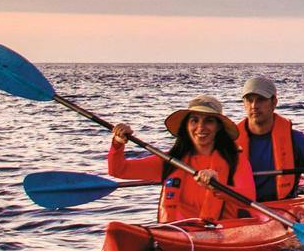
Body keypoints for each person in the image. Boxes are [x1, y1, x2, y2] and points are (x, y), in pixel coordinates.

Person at [107, 94, 261, 227]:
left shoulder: (234, 159)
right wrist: (118, 143)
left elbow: (249, 197)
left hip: (221, 234)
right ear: (187, 126)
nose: (200, 127)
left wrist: (218, 186)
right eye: (194, 120)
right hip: (177, 232)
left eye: (208, 121)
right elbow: (119, 170)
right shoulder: (171, 160)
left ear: (218, 127)